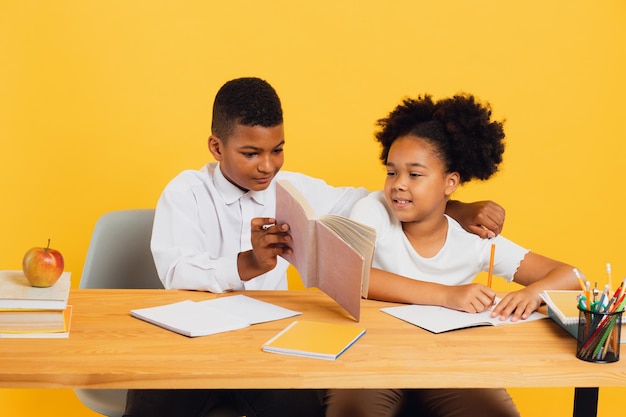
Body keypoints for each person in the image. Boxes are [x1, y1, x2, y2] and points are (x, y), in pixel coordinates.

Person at [124, 78, 506, 417]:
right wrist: (250, 262)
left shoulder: (292, 189)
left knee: (305, 406)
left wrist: (453, 206)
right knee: (152, 402)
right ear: (216, 147)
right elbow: (176, 270)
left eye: (278, 149)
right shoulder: (186, 192)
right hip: (191, 343)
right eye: (251, 153)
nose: (268, 166)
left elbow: (378, 200)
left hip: (265, 342)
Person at [323, 93, 581, 417]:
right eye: (391, 173)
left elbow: (573, 276)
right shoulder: (373, 211)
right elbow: (352, 275)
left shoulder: (473, 242)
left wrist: (532, 294)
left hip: (449, 359)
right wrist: (448, 295)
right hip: (372, 353)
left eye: (415, 175)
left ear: (450, 182)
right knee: (353, 410)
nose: (398, 185)